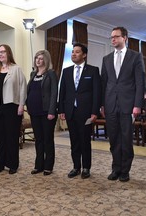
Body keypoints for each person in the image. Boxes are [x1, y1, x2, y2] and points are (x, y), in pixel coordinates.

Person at [101, 27, 145, 182]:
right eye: (111, 37)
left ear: (125, 37)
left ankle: (125, 171)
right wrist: (102, 104)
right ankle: (116, 168)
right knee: (113, 139)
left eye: (116, 36)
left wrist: (137, 104)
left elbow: (140, 83)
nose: (113, 39)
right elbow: (104, 83)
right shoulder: (106, 59)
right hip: (110, 104)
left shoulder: (135, 56)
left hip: (128, 105)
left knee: (126, 139)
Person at [58, 43, 101, 179]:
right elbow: (62, 92)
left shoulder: (93, 70)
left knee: (84, 141)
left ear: (84, 55)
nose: (74, 54)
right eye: (72, 52)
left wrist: (95, 111)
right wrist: (61, 110)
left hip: (86, 112)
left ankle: (86, 168)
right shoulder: (66, 71)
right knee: (74, 141)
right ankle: (76, 167)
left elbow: (97, 93)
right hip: (70, 111)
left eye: (77, 52)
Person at [0, 44, 27, 174]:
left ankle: (13, 164)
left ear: (9, 53)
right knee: (0, 137)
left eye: (3, 52)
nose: (1, 54)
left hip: (12, 107)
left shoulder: (16, 69)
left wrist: (21, 105)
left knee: (12, 136)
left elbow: (22, 88)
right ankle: (0, 164)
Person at [26, 50, 58, 176]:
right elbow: (30, 91)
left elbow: (54, 93)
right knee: (38, 139)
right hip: (34, 111)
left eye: (41, 58)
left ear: (46, 60)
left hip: (46, 112)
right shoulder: (33, 74)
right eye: (36, 58)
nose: (38, 60)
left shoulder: (51, 74)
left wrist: (51, 111)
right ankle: (38, 165)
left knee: (47, 139)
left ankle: (48, 166)